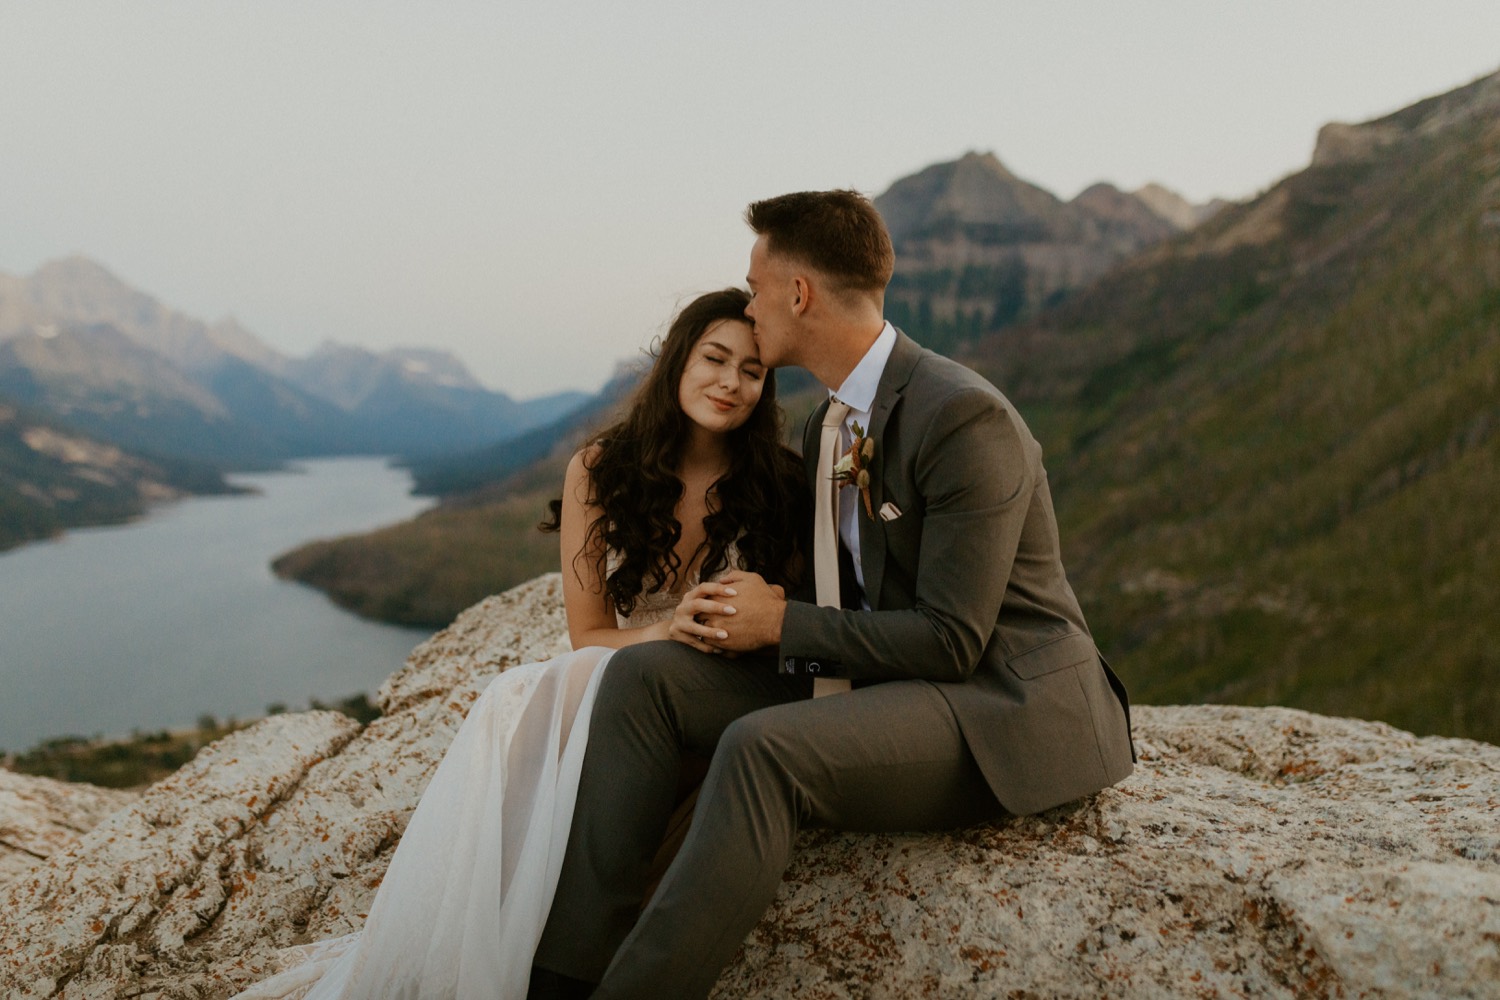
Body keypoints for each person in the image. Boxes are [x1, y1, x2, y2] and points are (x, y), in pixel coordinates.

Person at [530, 190, 1135, 999]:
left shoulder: (961, 416)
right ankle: (561, 976)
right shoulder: (828, 426)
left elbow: (953, 639)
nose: (748, 303)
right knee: (643, 683)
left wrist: (781, 624)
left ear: (798, 294)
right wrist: (737, 610)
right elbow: (834, 590)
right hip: (886, 682)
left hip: (999, 703)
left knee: (764, 751)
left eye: (755, 284)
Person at [232, 287, 807, 1000]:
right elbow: (588, 634)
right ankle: (501, 927)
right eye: (714, 358)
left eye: (752, 371)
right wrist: (665, 629)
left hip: (717, 694)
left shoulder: (780, 483)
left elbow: (790, 617)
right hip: (623, 667)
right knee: (515, 700)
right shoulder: (601, 469)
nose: (730, 382)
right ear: (677, 363)